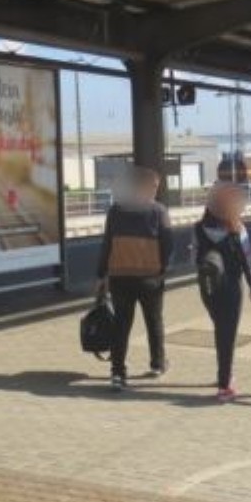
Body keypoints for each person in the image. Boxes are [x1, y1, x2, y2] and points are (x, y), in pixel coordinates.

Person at [96, 166, 174, 390]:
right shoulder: (159, 211)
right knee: (154, 321)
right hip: (150, 277)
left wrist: (101, 275)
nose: (156, 191)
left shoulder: (115, 210)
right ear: (147, 186)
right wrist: (163, 269)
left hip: (120, 276)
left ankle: (117, 374)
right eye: (155, 186)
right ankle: (157, 364)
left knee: (121, 324)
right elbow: (168, 245)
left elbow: (107, 244)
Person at [194, 183, 251, 403]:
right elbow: (248, 260)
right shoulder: (237, 229)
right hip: (231, 288)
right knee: (227, 335)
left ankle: (224, 373)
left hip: (208, 288)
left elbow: (195, 258)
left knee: (219, 330)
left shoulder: (198, 228)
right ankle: (225, 385)